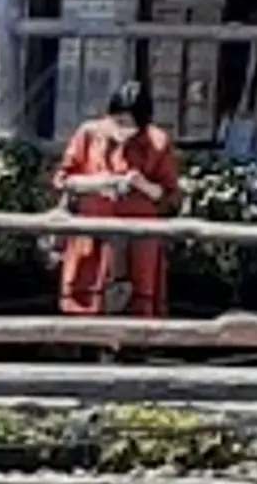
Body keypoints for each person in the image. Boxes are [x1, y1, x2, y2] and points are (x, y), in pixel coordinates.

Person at [55, 76, 180, 323]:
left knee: (138, 304)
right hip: (93, 232)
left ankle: (133, 352)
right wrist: (100, 182)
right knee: (85, 299)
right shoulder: (89, 134)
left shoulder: (157, 143)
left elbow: (170, 198)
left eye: (130, 124)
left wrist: (142, 184)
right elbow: (64, 179)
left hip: (140, 237)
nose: (123, 129)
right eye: (118, 121)